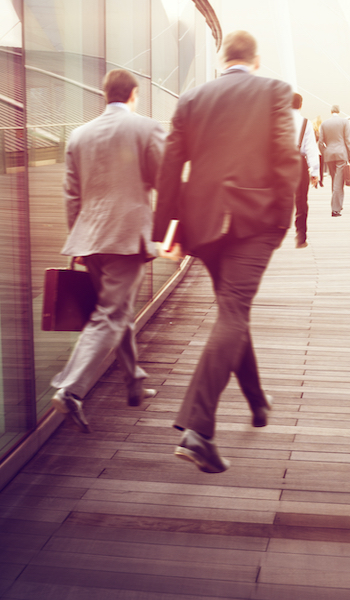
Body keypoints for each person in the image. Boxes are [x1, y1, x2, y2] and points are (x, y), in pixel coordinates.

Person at [154, 30, 297, 473]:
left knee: (232, 311)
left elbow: (171, 165)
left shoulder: (192, 100)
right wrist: (284, 218)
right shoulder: (274, 91)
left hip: (203, 224)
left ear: (222, 59)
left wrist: (165, 230)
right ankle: (199, 429)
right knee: (233, 312)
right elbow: (286, 157)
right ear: (255, 59)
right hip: (253, 221)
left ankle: (257, 402)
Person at [47, 69, 164, 432]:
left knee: (117, 310)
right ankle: (71, 389)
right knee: (110, 314)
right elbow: (163, 179)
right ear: (133, 94)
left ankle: (134, 382)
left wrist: (79, 241)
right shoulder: (146, 128)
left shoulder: (79, 135)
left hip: (90, 238)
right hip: (126, 238)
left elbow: (71, 194)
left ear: (104, 95)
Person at [291, 92, 320, 248]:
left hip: (280, 162)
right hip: (298, 163)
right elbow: (311, 149)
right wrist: (314, 172)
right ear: (300, 105)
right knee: (301, 200)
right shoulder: (305, 123)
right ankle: (300, 236)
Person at [320, 105, 350, 217]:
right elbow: (348, 140)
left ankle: (337, 203)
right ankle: (335, 209)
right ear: (339, 111)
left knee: (335, 180)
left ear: (331, 112)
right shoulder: (344, 122)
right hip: (341, 154)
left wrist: (325, 152)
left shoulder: (324, 124)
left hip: (329, 154)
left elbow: (320, 142)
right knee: (339, 182)